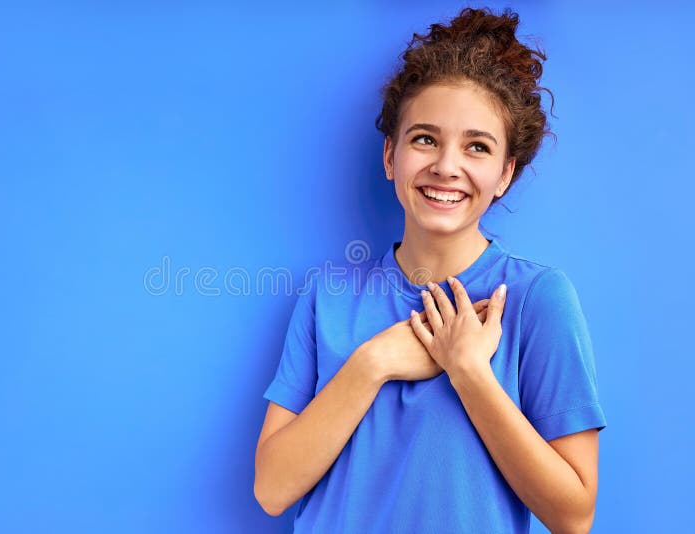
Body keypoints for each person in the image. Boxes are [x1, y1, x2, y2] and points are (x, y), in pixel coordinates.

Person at [253, 6, 606, 533]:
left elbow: (573, 516)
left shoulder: (537, 299)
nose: (446, 166)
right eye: (424, 139)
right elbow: (272, 490)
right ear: (391, 156)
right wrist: (372, 362)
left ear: (505, 173)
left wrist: (469, 373)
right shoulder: (327, 297)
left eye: (477, 147)